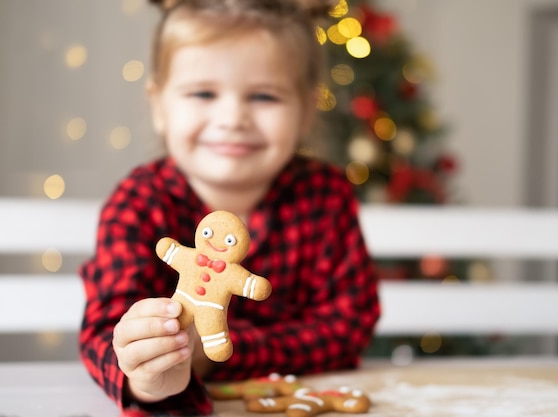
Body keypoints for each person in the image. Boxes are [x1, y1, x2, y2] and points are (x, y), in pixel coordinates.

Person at [78, 0, 381, 415]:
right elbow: (105, 327)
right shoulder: (137, 203)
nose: (232, 117)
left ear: (307, 109)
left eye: (263, 96)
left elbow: (347, 326)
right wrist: (148, 374)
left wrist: (219, 352)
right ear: (159, 106)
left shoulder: (326, 197)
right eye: (203, 92)